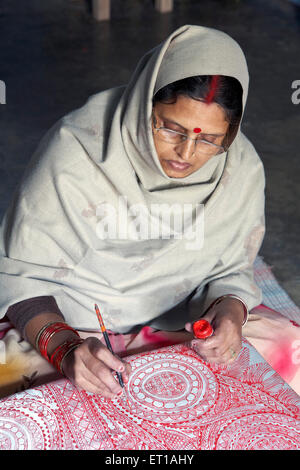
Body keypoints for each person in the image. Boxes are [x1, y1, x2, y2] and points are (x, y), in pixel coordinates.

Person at [0, 25, 277, 399]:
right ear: (144, 104)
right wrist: (66, 351)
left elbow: (231, 269)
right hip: (73, 323)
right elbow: (22, 273)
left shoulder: (238, 167)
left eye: (210, 139)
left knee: (285, 358)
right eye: (171, 129)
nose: (186, 153)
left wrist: (229, 311)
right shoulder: (80, 149)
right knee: (14, 387)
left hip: (183, 320)